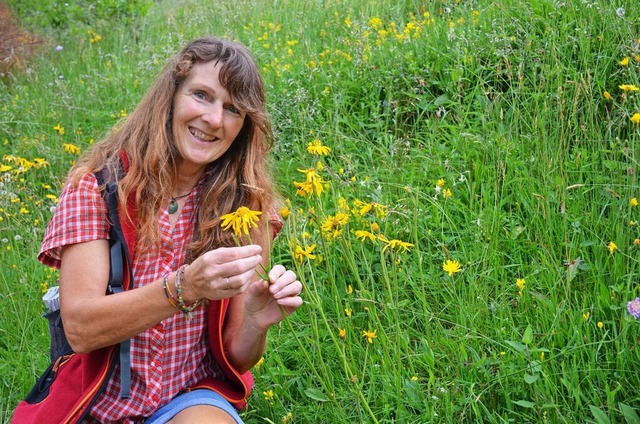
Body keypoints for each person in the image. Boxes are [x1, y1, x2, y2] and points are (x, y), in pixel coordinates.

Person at [35, 37, 303, 423]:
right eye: (201, 95)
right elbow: (80, 328)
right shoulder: (97, 190)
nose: (213, 119)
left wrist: (255, 323)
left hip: (189, 396)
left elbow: (237, 354)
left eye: (232, 109)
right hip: (96, 405)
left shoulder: (247, 209)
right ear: (171, 96)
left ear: (244, 127)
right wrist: (185, 287)